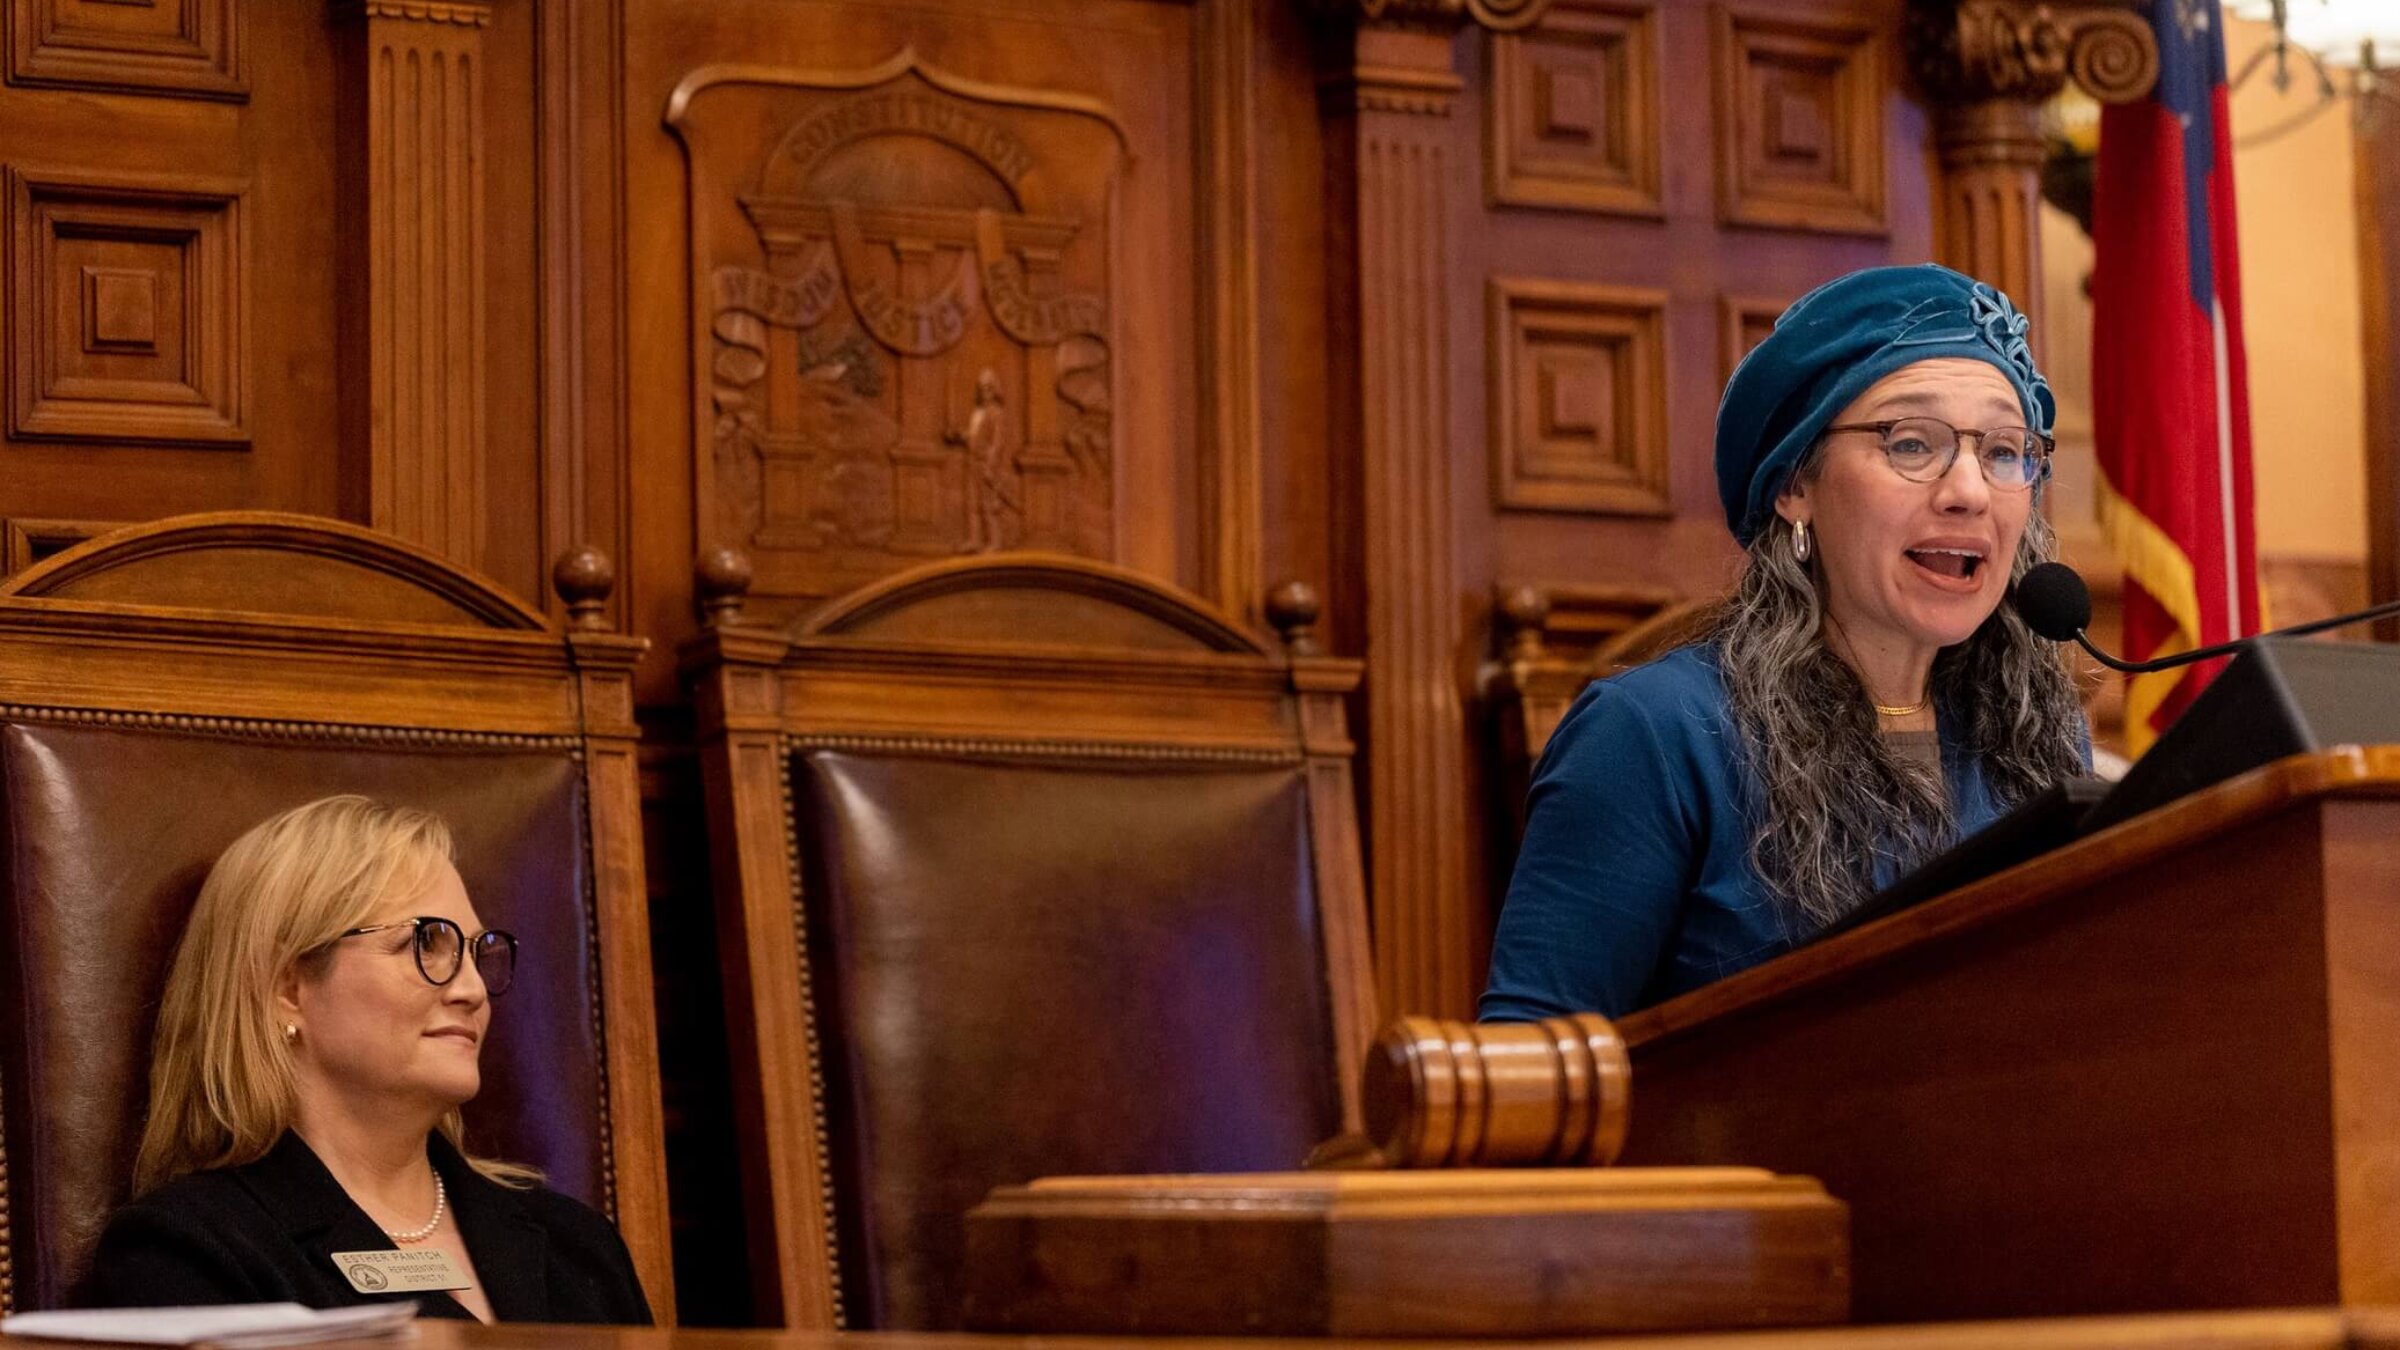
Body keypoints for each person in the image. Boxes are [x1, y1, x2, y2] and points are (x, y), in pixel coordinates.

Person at [1481, 264, 2091, 1021]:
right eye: (1910, 442)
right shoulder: (1654, 736)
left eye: (2003, 451)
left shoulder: (2041, 736)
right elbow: (1529, 1064)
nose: (1969, 489)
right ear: (1793, 484)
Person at [74, 796, 651, 1324]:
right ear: (288, 988)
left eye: (476, 952)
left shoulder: (578, 1244)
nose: (472, 989)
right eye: (426, 944)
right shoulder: (189, 1251)